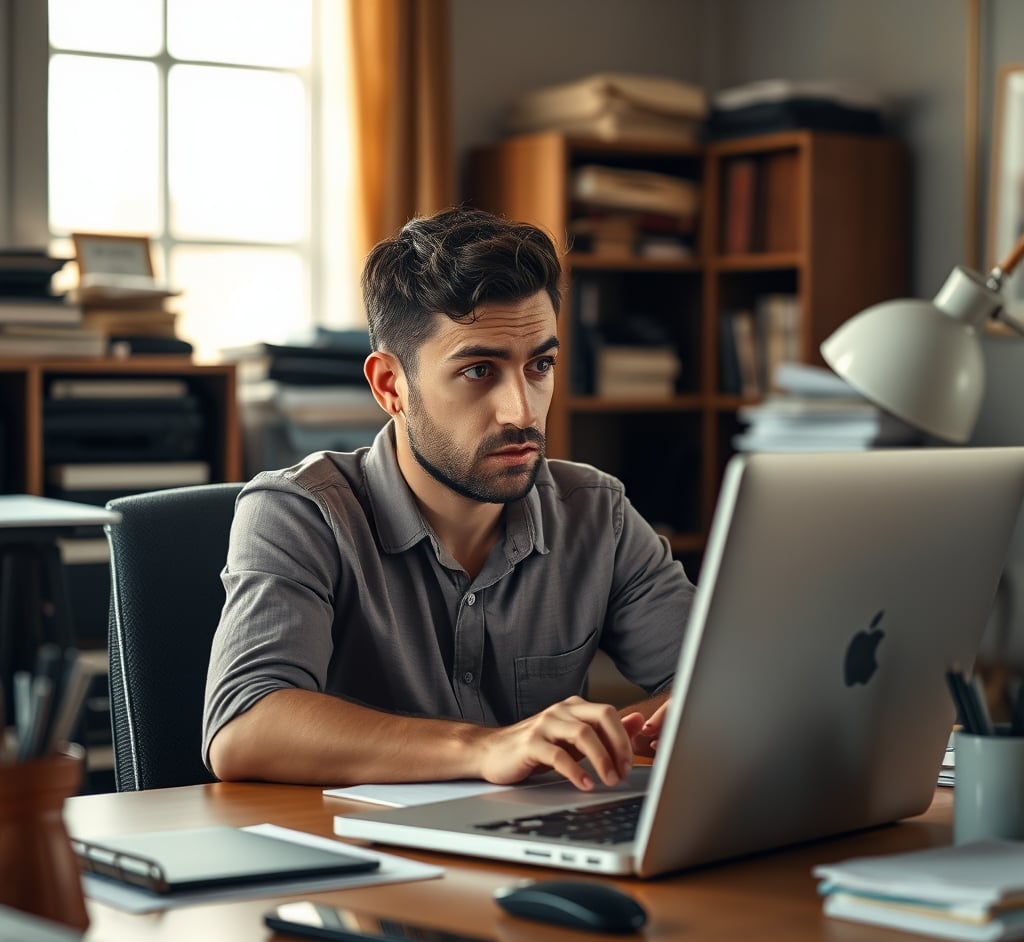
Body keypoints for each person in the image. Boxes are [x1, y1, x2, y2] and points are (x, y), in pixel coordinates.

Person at [203, 206, 695, 791]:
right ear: (391, 385)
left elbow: (722, 676)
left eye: (540, 365)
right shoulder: (297, 513)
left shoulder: (596, 510)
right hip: (361, 862)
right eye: (479, 370)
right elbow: (243, 726)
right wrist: (487, 747)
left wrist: (648, 725)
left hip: (536, 844)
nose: (522, 411)